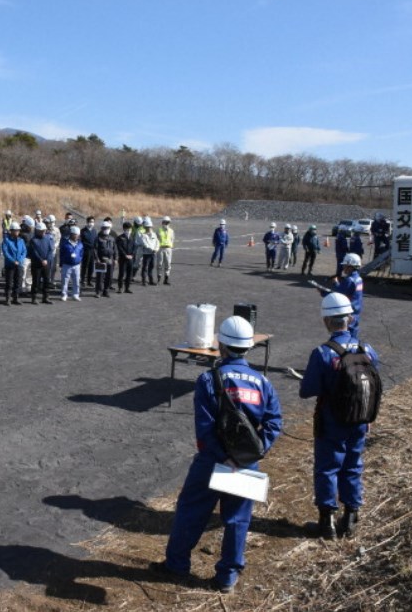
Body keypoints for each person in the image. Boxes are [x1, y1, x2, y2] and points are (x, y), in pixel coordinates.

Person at [152, 316, 282, 593]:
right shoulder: (262, 382)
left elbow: (205, 427)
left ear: (221, 345)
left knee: (191, 509)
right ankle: (227, 577)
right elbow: (274, 422)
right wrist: (252, 452)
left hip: (213, 460)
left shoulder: (209, 379)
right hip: (247, 461)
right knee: (237, 519)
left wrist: (223, 458)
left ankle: (176, 564)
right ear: (248, 347)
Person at [299, 293, 379, 539]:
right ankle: (351, 516)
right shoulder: (368, 350)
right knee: (353, 466)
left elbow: (307, 390)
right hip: (360, 418)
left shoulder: (323, 353)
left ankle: (327, 522)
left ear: (326, 321)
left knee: (328, 468)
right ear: (351, 319)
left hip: (331, 420)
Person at [317, 254, 364, 339]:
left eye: (345, 265)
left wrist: (323, 292)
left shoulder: (349, 280)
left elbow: (338, 296)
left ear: (350, 266)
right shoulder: (358, 278)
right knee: (352, 339)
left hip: (349, 313)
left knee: (343, 339)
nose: (343, 267)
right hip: (356, 313)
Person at [28, 222, 54, 305]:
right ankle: (34, 297)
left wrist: (46, 259)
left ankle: (46, 297)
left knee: (47, 280)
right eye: (41, 231)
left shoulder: (48, 238)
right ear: (37, 231)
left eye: (44, 230)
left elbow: (51, 250)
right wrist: (41, 260)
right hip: (36, 264)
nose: (43, 232)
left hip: (47, 263)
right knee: (36, 281)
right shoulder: (33, 240)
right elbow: (34, 252)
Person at [2, 222, 26, 305]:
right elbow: (5, 252)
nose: (17, 232)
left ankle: (16, 298)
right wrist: (13, 261)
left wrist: (19, 260)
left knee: (18, 281)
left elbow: (24, 251)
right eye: (16, 230)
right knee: (9, 282)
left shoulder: (21, 240)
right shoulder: (6, 240)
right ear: (11, 231)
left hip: (19, 264)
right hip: (10, 265)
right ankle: (8, 298)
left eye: (18, 230)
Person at [59, 225, 84, 301]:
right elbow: (61, 253)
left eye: (78, 235)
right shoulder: (65, 243)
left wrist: (79, 260)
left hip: (76, 265)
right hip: (67, 265)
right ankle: (64, 294)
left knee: (76, 281)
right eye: (76, 235)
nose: (77, 236)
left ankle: (75, 294)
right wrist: (63, 262)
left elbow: (81, 253)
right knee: (65, 281)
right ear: (72, 234)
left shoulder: (80, 244)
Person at [93, 220, 116, 297]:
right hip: (101, 260)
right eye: (105, 228)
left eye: (107, 228)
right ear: (102, 228)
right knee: (100, 277)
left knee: (109, 276)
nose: (106, 229)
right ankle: (98, 292)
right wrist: (97, 259)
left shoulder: (112, 238)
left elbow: (115, 249)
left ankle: (106, 291)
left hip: (110, 260)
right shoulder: (98, 238)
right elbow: (95, 249)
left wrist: (115, 259)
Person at [136, 218, 159, 285]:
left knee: (151, 267)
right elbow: (145, 244)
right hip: (147, 253)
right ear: (145, 227)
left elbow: (157, 242)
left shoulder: (154, 234)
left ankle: (151, 280)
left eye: (149, 227)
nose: (149, 228)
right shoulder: (143, 235)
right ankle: (144, 281)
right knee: (145, 267)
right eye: (147, 227)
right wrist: (152, 249)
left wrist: (156, 249)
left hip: (153, 253)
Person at [115, 221, 135, 293]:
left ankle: (127, 288)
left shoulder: (132, 237)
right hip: (123, 259)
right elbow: (119, 248)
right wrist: (125, 255)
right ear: (124, 229)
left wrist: (132, 255)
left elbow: (134, 247)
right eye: (127, 229)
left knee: (129, 274)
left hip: (130, 259)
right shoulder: (120, 238)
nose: (129, 231)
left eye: (130, 229)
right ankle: (120, 288)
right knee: (121, 274)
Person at [80, 216, 98, 288]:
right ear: (87, 222)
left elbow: (96, 240)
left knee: (91, 266)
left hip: (93, 251)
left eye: (92, 222)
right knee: (85, 266)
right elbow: (81, 241)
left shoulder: (94, 231)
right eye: (90, 222)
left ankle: (89, 281)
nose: (91, 223)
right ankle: (82, 281)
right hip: (85, 251)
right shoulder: (83, 231)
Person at [156, 216, 174, 285]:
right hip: (160, 248)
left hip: (168, 249)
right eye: (165, 222)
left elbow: (172, 239)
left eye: (168, 222)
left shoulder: (171, 231)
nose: (166, 223)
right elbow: (156, 240)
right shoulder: (158, 230)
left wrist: (170, 247)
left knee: (168, 264)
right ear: (162, 222)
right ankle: (159, 278)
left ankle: (166, 279)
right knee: (159, 264)